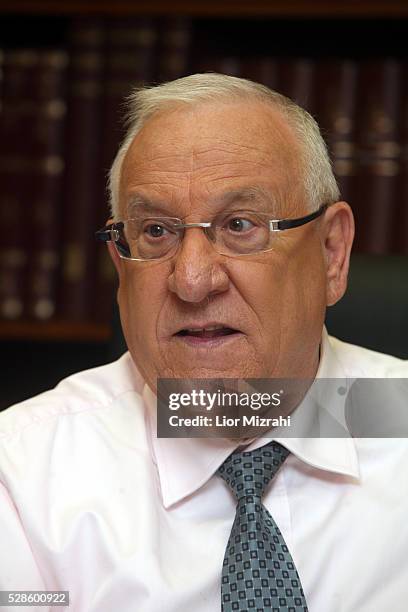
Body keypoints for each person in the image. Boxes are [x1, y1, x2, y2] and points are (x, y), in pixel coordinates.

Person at [0, 73, 407, 612]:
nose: (191, 280)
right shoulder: (22, 475)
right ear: (120, 264)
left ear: (331, 253)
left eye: (241, 224)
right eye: (156, 232)